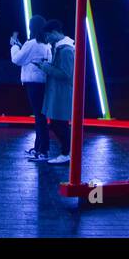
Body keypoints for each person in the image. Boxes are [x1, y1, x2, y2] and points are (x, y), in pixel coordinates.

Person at [10, 15, 50, 161]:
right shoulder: (45, 43)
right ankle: (39, 147)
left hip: (33, 83)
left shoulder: (32, 43)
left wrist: (14, 46)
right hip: (42, 82)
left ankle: (43, 150)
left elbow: (17, 59)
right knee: (40, 116)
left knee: (39, 118)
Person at [37, 19, 76, 165]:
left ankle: (67, 152)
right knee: (58, 124)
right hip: (59, 92)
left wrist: (46, 67)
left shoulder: (65, 50)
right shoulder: (61, 48)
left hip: (62, 93)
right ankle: (67, 152)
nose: (46, 40)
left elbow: (66, 74)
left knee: (58, 124)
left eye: (47, 36)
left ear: (53, 33)